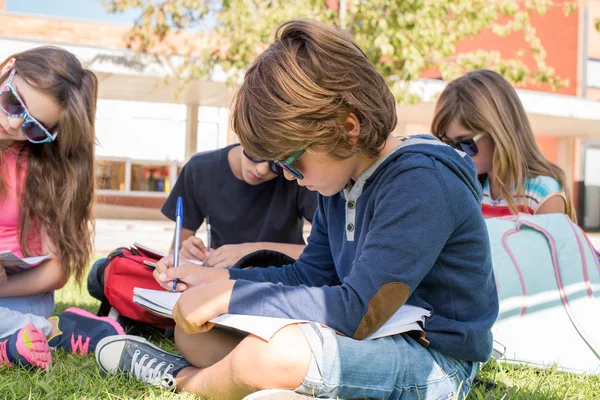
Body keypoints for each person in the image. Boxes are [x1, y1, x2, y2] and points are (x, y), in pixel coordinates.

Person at [95, 20, 498, 400]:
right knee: (194, 333)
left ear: (348, 127)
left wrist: (232, 294)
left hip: (435, 362)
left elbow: (357, 311)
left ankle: (182, 380)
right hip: (362, 340)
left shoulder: (421, 182)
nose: (288, 176)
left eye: (291, 160)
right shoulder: (339, 179)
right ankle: (268, 383)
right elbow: (309, 275)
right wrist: (214, 279)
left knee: (272, 355)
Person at [0, 47, 123, 370]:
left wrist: (4, 285)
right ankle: (47, 332)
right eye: (13, 102)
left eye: (33, 128)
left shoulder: (43, 169)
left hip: (19, 293)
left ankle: (24, 332)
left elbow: (58, 268)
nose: (13, 124)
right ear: (7, 69)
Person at [431, 69, 577, 221]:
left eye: (466, 143)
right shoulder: (470, 191)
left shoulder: (541, 193)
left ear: (498, 133)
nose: (458, 154)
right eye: (449, 144)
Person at [162, 142, 318, 268]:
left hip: (285, 281)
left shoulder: (297, 176)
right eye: (257, 154)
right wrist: (188, 252)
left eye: (277, 165)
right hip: (222, 281)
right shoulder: (200, 169)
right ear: (243, 135)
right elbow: (175, 251)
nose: (261, 169)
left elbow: (328, 253)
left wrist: (253, 252)